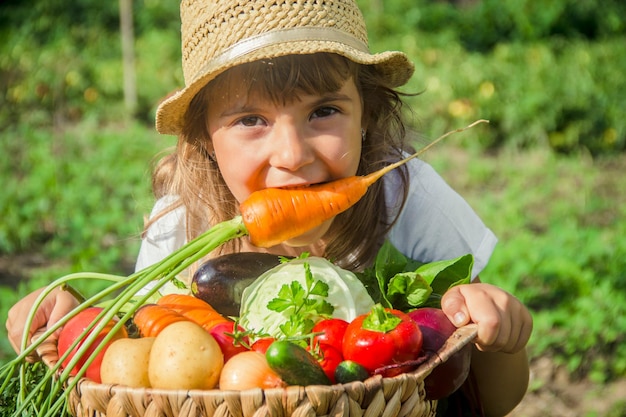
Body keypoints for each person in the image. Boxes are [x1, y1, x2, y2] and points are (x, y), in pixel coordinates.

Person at [6, 0, 533, 415]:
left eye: (324, 112)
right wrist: (73, 325)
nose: (292, 156)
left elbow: (493, 402)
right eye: (250, 121)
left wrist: (496, 334)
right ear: (205, 139)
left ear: (367, 114)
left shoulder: (406, 193)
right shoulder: (181, 224)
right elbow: (145, 367)